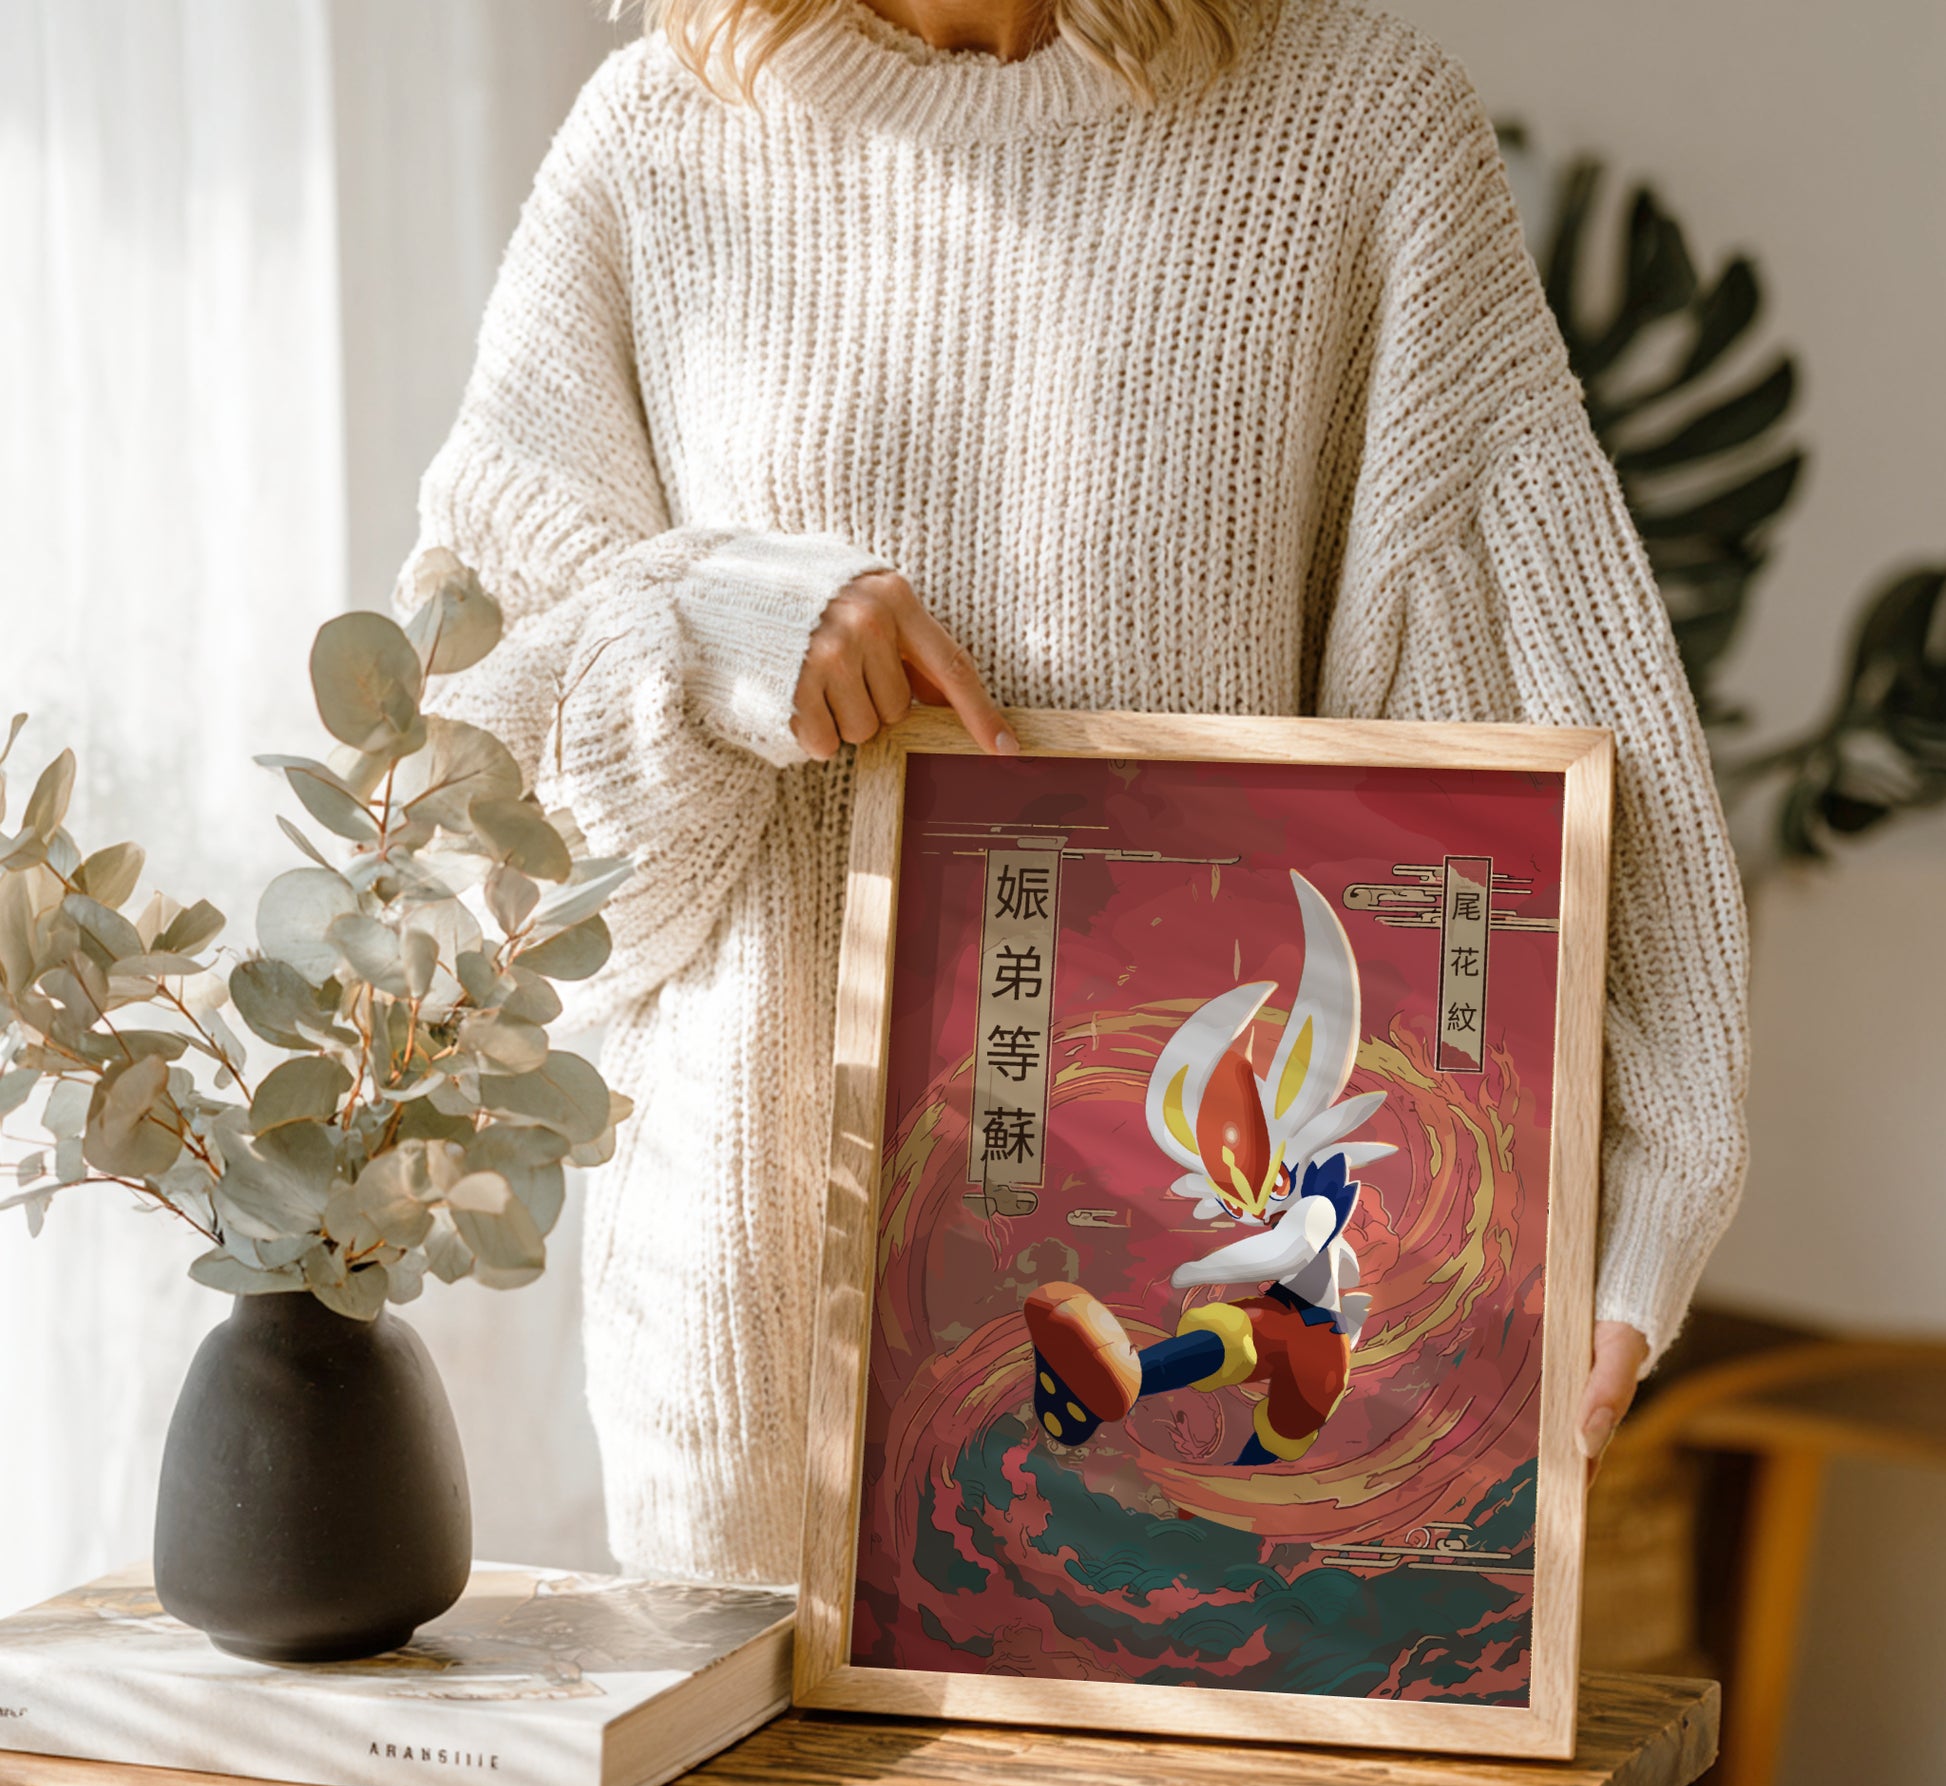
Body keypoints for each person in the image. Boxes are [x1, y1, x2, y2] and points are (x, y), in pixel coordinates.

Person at [397, 0, 1749, 1587]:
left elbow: (1528, 711)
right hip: (749, 1364)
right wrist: (710, 627)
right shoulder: (655, 142)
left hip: (1199, 1342)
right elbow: (469, 823)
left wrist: (1638, 1179)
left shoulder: (1353, 129)